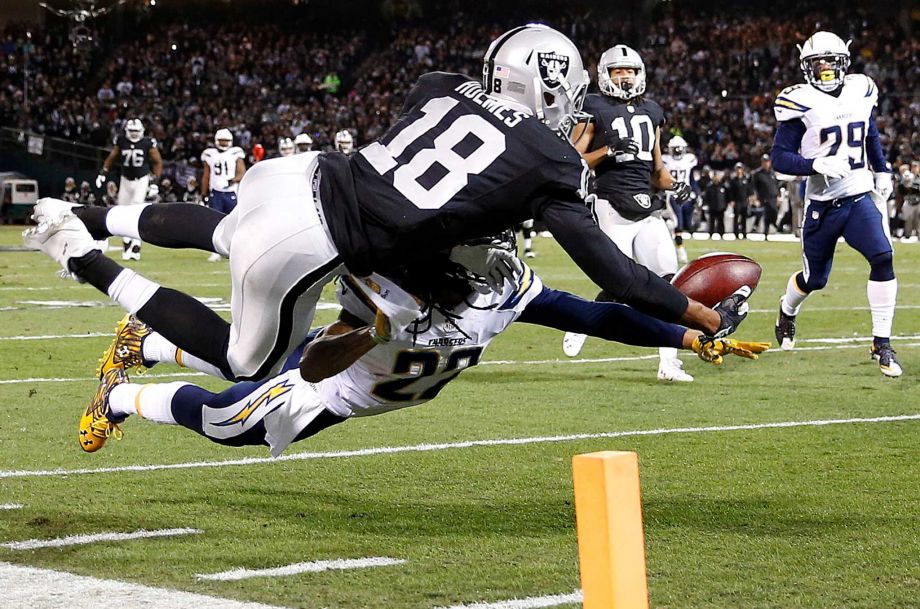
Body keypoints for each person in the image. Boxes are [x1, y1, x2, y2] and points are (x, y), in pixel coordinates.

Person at [27, 24, 749, 388]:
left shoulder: (437, 83)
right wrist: (702, 314)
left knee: (223, 228)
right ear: (557, 86)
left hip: (303, 172)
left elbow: (437, 175)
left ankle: (92, 216)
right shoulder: (552, 158)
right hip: (320, 238)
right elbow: (616, 279)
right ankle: (79, 253)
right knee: (245, 361)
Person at [78, 251, 768, 453]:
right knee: (235, 420)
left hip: (365, 392)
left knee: (248, 378)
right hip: (336, 380)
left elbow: (601, 314)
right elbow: (324, 352)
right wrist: (369, 327)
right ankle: (118, 395)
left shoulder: (510, 283)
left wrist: (687, 332)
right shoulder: (388, 277)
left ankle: (150, 344)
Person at [559, 44, 695, 382]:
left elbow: (658, 168)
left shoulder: (652, 111)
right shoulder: (593, 106)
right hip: (610, 202)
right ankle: (581, 322)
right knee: (619, 283)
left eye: (630, 71)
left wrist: (675, 186)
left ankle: (668, 363)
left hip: (648, 207)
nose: (625, 76)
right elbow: (571, 160)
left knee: (669, 282)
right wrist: (608, 150)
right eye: (619, 71)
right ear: (605, 74)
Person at [770, 31, 900, 376]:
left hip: (857, 194)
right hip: (823, 204)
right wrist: (813, 165)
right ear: (806, 67)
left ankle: (882, 343)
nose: (825, 67)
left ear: (844, 61)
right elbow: (779, 159)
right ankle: (787, 311)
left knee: (883, 256)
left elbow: (869, 131)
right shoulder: (800, 102)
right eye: (817, 62)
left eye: (831, 61)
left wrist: (882, 169)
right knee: (815, 279)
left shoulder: (861, 89)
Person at [95, 118, 163, 261]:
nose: (133, 134)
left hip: (141, 180)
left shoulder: (147, 143)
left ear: (141, 131)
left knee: (135, 211)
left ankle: (136, 247)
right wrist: (103, 173)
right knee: (122, 212)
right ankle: (127, 245)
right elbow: (111, 157)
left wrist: (155, 182)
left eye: (136, 131)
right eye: (131, 131)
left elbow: (157, 162)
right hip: (125, 179)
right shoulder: (121, 141)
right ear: (126, 130)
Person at [201, 129, 246, 261]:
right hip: (215, 191)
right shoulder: (209, 154)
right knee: (215, 222)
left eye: (226, 141)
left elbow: (242, 172)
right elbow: (206, 175)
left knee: (234, 222)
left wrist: (233, 180)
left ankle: (235, 249)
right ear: (216, 140)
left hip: (231, 192)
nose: (224, 143)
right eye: (222, 140)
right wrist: (204, 192)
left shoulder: (235, 153)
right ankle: (216, 251)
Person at [661, 135, 697, 263]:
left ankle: (667, 231)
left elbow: (692, 178)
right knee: (677, 223)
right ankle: (680, 249)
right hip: (671, 195)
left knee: (687, 224)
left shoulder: (689, 159)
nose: (677, 151)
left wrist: (695, 192)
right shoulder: (665, 160)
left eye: (679, 149)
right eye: (675, 149)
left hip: (686, 194)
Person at [752, 154, 779, 239]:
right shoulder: (758, 174)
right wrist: (755, 197)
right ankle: (766, 233)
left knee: (774, 212)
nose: (765, 163)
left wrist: (778, 195)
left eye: (767, 162)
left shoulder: (772, 173)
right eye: (764, 162)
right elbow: (754, 186)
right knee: (768, 213)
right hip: (764, 197)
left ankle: (773, 223)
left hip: (773, 196)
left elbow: (776, 185)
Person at [727, 163, 752, 239]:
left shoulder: (746, 179)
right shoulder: (733, 181)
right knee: (736, 218)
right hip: (737, 201)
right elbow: (730, 191)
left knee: (744, 218)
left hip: (744, 201)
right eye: (737, 169)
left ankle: (744, 233)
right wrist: (731, 200)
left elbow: (749, 190)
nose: (739, 170)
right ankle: (736, 233)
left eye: (740, 168)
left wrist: (750, 198)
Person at [704, 170, 727, 239]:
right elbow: (706, 197)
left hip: (721, 207)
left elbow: (727, 196)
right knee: (712, 222)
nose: (716, 178)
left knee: (721, 221)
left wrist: (725, 205)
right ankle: (711, 234)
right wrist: (707, 204)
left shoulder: (723, 186)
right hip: (712, 206)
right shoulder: (709, 187)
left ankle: (722, 234)